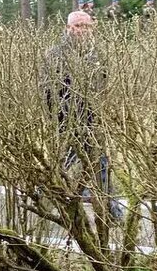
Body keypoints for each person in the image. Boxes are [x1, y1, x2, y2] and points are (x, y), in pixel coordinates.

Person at [42, 11, 120, 220]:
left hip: (92, 120)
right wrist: (60, 118)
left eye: (87, 26)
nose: (83, 31)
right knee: (63, 166)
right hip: (66, 121)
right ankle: (45, 200)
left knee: (100, 163)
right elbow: (49, 91)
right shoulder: (56, 54)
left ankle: (111, 210)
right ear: (69, 28)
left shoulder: (97, 54)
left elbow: (104, 83)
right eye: (78, 26)